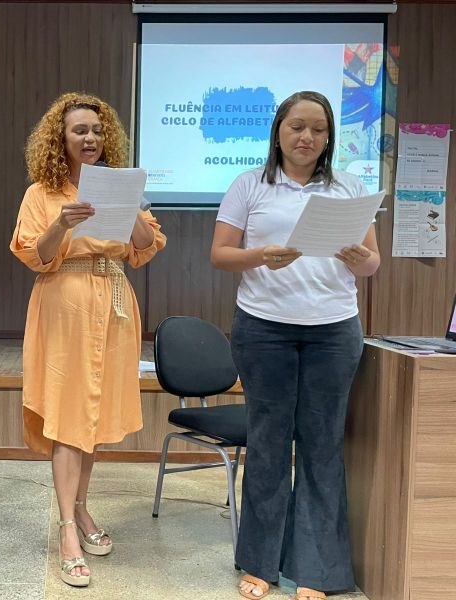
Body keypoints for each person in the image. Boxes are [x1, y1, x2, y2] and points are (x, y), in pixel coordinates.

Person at [210, 91, 381, 600]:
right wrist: (260, 256)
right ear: (278, 131)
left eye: (318, 129)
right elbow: (220, 254)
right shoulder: (249, 184)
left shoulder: (349, 186)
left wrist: (360, 259)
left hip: (334, 329)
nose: (307, 137)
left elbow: (373, 264)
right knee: (267, 443)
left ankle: (316, 571)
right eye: (297, 126)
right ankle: (259, 564)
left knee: (322, 446)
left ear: (329, 138)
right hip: (264, 329)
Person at [10, 92, 166, 587]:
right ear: (61, 138)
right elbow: (34, 255)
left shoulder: (119, 186)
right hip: (65, 300)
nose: (91, 138)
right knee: (68, 416)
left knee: (92, 417)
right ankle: (66, 530)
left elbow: (145, 247)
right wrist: (62, 222)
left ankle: (80, 507)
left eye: (98, 130)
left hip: (114, 300)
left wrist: (131, 203)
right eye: (80, 130)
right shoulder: (42, 192)